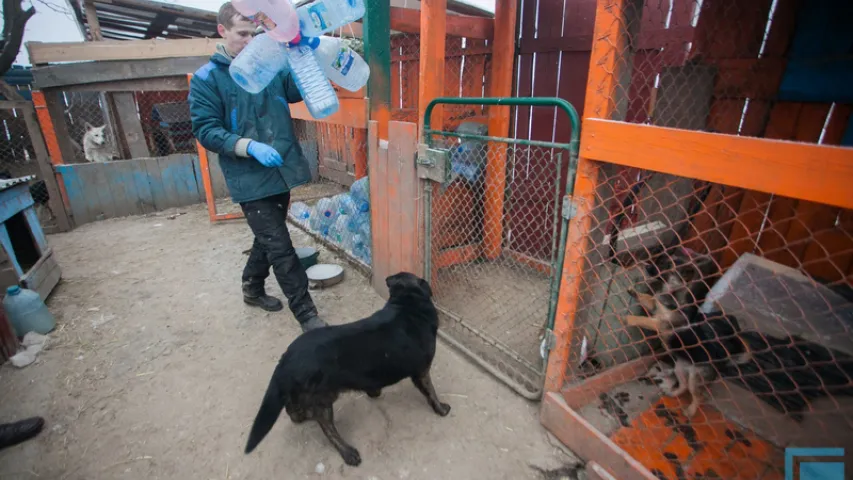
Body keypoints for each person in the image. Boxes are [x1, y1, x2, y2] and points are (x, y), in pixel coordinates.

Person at [189, 2, 327, 333]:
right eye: (242, 34)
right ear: (222, 31)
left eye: (256, 33)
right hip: (249, 175)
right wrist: (248, 146)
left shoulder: (270, 62)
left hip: (280, 167)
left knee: (268, 236)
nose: (251, 41)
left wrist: (303, 57)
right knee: (280, 245)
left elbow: (295, 91)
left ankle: (251, 287)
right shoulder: (207, 79)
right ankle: (307, 315)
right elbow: (206, 129)